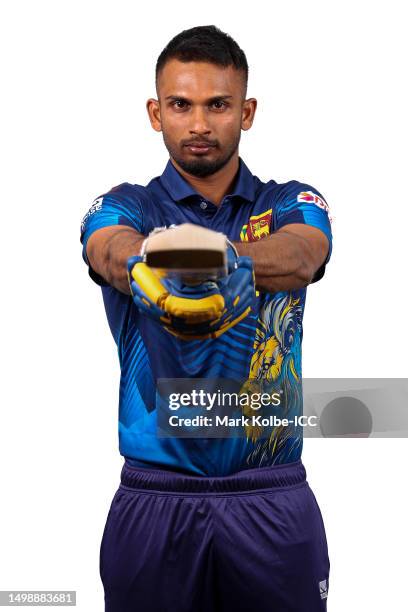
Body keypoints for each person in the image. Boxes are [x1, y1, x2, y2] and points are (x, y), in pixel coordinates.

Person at [80, 24, 332, 612]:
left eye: (217, 105)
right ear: (154, 111)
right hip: (156, 493)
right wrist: (145, 264)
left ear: (245, 112)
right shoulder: (129, 204)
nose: (198, 124)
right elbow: (108, 250)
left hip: (269, 493)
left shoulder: (288, 202)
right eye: (181, 105)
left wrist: (208, 261)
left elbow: (302, 254)